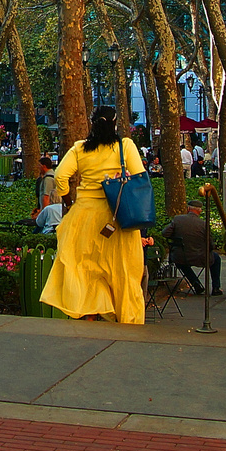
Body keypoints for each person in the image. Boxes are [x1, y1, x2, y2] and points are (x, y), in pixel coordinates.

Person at [39, 105, 146, 323]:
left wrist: (69, 202)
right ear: (115, 123)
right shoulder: (125, 146)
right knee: (123, 273)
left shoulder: (80, 149)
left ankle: (90, 321)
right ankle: (127, 321)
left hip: (84, 218)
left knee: (87, 271)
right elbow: (140, 176)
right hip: (117, 218)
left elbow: (60, 177)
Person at [163, 201, 223, 296]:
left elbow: (165, 233)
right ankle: (216, 287)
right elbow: (211, 245)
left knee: (181, 262)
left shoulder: (177, 220)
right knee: (216, 259)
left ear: (188, 209)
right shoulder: (203, 224)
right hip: (201, 257)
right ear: (199, 211)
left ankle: (196, 283)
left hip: (181, 257)